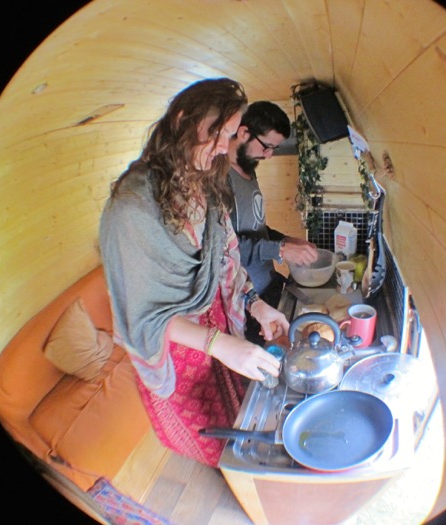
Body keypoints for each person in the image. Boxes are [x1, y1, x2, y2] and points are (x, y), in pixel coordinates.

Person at [99, 78, 290, 468]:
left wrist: (255, 305)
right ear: (184, 119)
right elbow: (141, 315)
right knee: (213, 438)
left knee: (237, 418)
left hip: (220, 330)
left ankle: (240, 470)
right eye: (218, 133)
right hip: (179, 351)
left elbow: (225, 258)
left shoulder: (206, 182)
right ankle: (232, 475)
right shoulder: (132, 206)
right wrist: (218, 344)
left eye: (230, 135)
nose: (223, 146)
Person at [226, 101, 318, 344]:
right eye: (266, 146)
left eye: (273, 149)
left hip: (267, 283)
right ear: (243, 132)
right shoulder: (221, 179)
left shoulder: (248, 170)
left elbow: (254, 227)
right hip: (245, 300)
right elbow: (226, 248)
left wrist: (285, 240)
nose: (268, 155)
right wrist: (281, 250)